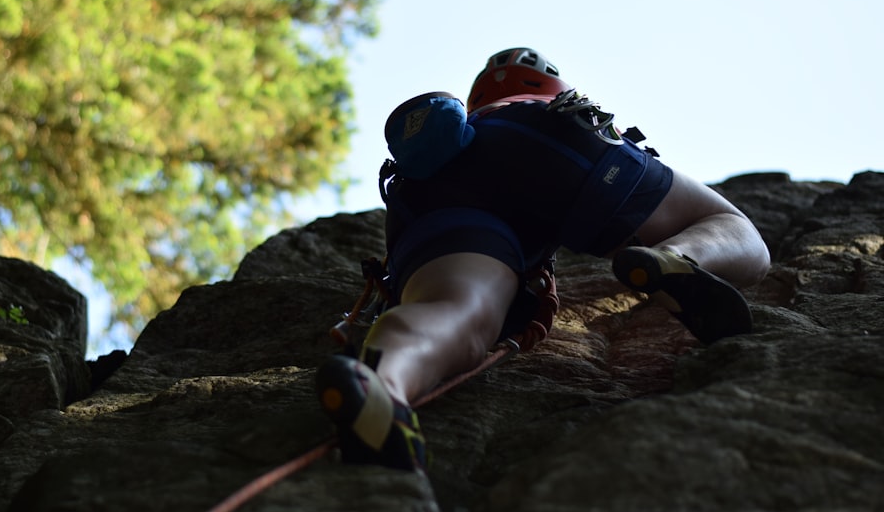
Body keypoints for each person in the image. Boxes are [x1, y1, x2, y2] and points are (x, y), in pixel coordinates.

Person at [315, 47, 771, 472]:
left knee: (454, 310)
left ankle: (384, 381)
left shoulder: (459, 133)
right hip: (549, 146)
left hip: (431, 187)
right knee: (724, 221)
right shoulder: (534, 109)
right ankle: (675, 257)